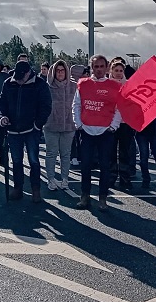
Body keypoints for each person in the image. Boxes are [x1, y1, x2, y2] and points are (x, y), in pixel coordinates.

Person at [72, 54, 121, 211]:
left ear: (106, 68)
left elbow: (119, 108)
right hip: (86, 131)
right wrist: (78, 124)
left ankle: (103, 199)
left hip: (106, 132)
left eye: (101, 66)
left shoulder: (115, 86)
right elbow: (76, 105)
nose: (99, 69)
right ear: (91, 68)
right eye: (96, 66)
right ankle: (84, 197)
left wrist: (113, 127)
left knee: (105, 167)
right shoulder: (83, 84)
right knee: (86, 166)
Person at [0, 61, 52, 201]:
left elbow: (46, 106)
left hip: (31, 130)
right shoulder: (8, 83)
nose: (18, 80)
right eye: (17, 77)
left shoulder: (40, 84)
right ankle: (18, 188)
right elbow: (2, 103)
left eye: (21, 77)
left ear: (28, 73)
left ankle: (36, 190)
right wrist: (2, 116)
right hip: (12, 130)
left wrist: (37, 125)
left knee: (34, 160)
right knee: (16, 160)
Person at [44, 60, 75, 191]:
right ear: (53, 72)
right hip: (51, 125)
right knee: (51, 153)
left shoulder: (74, 86)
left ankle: (65, 179)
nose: (60, 73)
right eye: (58, 70)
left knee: (65, 154)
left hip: (69, 125)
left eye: (62, 70)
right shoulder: (47, 87)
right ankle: (51, 179)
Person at [109, 60, 135, 191]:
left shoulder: (129, 85)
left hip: (125, 123)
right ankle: (111, 177)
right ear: (111, 71)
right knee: (111, 152)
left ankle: (125, 178)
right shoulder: (107, 85)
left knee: (125, 152)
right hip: (110, 123)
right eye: (116, 70)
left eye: (121, 71)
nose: (119, 73)